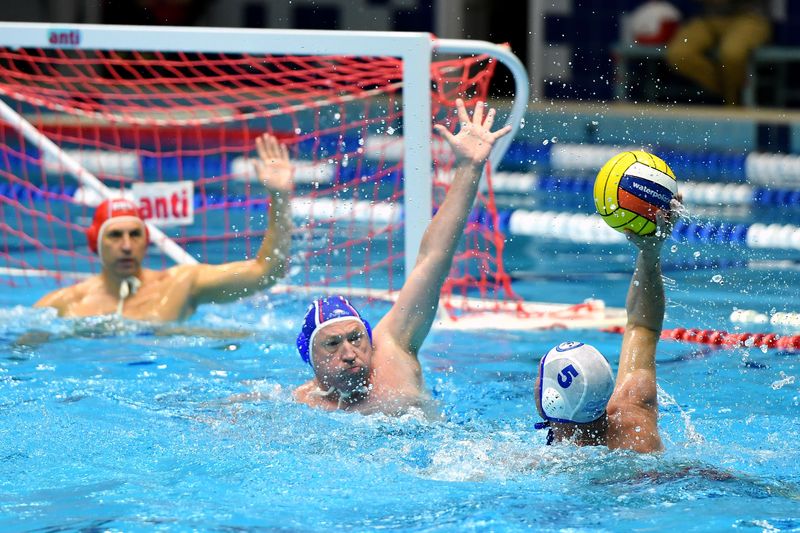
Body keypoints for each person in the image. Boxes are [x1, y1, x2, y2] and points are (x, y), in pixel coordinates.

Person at [293, 98, 512, 414]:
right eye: (332, 344)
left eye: (356, 338)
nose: (350, 353)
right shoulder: (304, 404)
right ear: (310, 357)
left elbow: (432, 259)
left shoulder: (394, 348)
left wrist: (469, 167)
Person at [34, 133, 293, 322]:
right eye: (115, 235)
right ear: (95, 242)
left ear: (146, 240)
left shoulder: (180, 284)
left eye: (135, 234)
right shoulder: (68, 304)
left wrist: (280, 198)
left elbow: (267, 273)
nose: (127, 245)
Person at [533, 200, 681, 452]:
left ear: (551, 400)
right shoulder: (636, 415)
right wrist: (650, 252)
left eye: (540, 376)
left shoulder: (550, 465)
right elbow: (643, 325)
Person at [664, 0, 771, 106]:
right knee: (678, 54)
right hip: (707, 18)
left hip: (750, 17)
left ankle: (735, 101)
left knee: (732, 53)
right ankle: (734, 94)